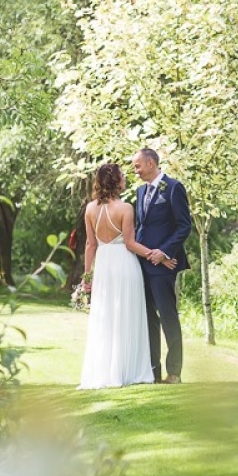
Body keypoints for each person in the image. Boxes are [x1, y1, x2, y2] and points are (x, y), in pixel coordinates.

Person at [77, 163, 171, 389]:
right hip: (124, 265)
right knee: (128, 315)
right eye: (122, 177)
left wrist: (87, 277)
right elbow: (130, 244)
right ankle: (128, 370)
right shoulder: (125, 208)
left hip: (104, 266)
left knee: (106, 317)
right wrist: (158, 255)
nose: (125, 180)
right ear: (115, 181)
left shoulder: (90, 209)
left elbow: (90, 245)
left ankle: (107, 371)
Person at [131, 148, 192, 384]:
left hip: (164, 266)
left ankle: (174, 372)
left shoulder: (174, 187)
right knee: (148, 320)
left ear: (150, 163)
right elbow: (140, 228)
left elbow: (183, 226)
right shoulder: (140, 191)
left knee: (168, 317)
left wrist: (164, 252)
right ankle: (152, 373)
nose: (135, 171)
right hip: (142, 265)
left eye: (137, 166)